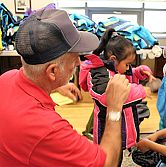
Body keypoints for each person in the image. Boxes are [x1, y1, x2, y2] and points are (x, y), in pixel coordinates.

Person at [0, 9, 131, 167]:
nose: (79, 63)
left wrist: (54, 86)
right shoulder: (48, 129)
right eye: (75, 57)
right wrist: (114, 109)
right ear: (53, 71)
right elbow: (107, 163)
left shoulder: (6, 79)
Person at [79, 28, 155, 166]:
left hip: (123, 122)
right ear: (113, 59)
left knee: (117, 154)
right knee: (109, 157)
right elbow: (109, 96)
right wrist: (141, 91)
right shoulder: (98, 72)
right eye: (127, 64)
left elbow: (128, 75)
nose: (128, 68)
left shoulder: (114, 67)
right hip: (106, 127)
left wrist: (141, 72)